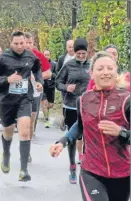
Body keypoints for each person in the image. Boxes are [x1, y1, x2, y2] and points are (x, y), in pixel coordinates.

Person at [50, 51, 130, 201]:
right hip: (92, 172)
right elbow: (80, 126)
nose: (105, 72)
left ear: (116, 71)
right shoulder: (84, 100)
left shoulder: (126, 101)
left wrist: (122, 132)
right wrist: (62, 141)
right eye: (100, 68)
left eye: (110, 68)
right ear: (92, 73)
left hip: (122, 175)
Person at [0, 31, 43, 181]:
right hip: (7, 99)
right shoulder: (2, 58)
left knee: (25, 130)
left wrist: (39, 82)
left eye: (22, 43)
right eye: (16, 44)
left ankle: (23, 170)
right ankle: (6, 153)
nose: (20, 46)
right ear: (11, 43)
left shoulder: (31, 56)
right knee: (8, 132)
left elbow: (37, 69)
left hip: (24, 98)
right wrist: (7, 79)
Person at [55, 37, 90, 184]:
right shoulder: (68, 65)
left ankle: (88, 169)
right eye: (78, 54)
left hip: (88, 106)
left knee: (88, 137)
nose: (81, 56)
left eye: (84, 53)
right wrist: (66, 87)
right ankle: (72, 167)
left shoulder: (92, 65)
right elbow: (57, 82)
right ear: (75, 53)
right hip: (71, 105)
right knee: (73, 137)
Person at [42, 49, 57, 128]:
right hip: (43, 86)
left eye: (48, 55)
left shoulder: (54, 64)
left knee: (50, 105)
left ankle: (47, 112)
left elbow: (57, 74)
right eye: (45, 54)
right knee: (44, 103)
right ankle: (46, 120)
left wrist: (51, 75)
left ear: (50, 56)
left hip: (51, 87)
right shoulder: (40, 64)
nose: (46, 56)